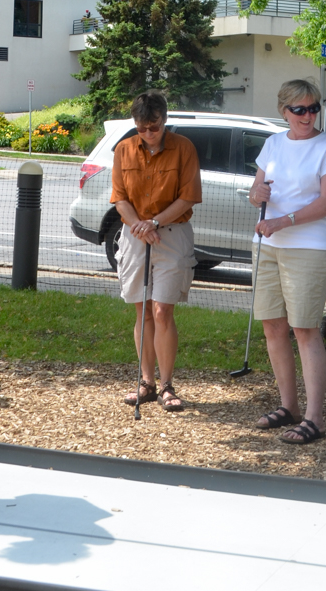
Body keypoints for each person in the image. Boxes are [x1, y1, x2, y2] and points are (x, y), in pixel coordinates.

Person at [248, 79, 326, 444]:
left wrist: (283, 221)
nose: (308, 116)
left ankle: (314, 418)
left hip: (308, 246)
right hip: (267, 243)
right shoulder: (273, 143)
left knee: (304, 329)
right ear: (284, 111)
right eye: (299, 109)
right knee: (273, 327)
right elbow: (257, 190)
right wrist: (255, 193)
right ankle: (287, 406)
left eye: (314, 108)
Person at [111, 91, 201, 412]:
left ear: (164, 120)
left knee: (163, 310)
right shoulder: (123, 150)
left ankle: (166, 384)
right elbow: (119, 197)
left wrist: (154, 222)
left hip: (171, 234)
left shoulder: (184, 149)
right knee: (143, 310)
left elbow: (188, 197)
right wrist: (138, 224)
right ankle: (146, 382)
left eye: (154, 126)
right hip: (136, 235)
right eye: (142, 128)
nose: (148, 133)